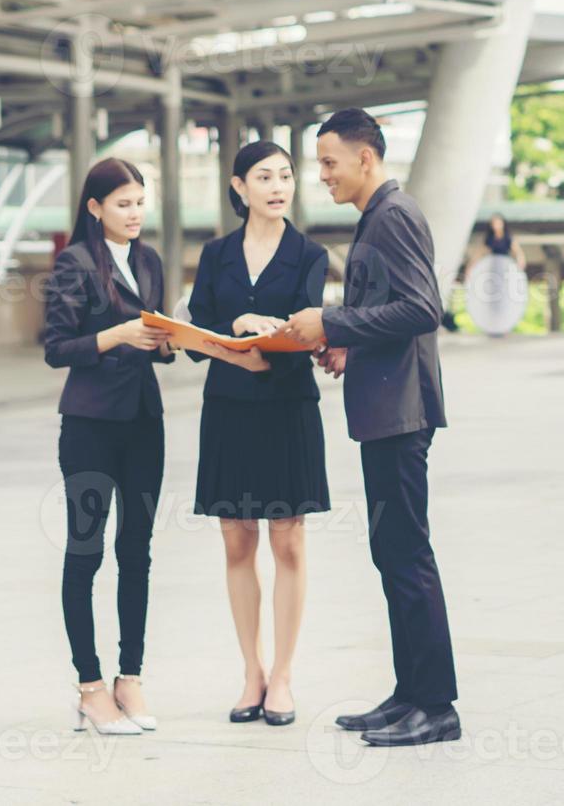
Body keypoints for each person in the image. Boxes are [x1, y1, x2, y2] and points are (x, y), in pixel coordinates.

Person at [279, 108, 458, 747]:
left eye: (329, 162)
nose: (321, 175)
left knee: (407, 554)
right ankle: (411, 693)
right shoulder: (378, 218)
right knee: (392, 554)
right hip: (386, 407)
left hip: (401, 413)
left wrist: (331, 322)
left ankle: (436, 705)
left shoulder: (394, 216)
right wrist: (349, 344)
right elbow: (393, 312)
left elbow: (421, 308)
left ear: (365, 159)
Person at [185, 140, 331, 727]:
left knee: (288, 542)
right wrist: (235, 327)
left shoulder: (309, 254)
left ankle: (285, 676)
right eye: (265, 177)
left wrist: (263, 333)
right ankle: (252, 672)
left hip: (286, 406)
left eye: (287, 176)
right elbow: (194, 331)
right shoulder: (216, 253)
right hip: (228, 408)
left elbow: (309, 331)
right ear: (239, 187)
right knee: (237, 544)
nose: (279, 186)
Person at [43, 157, 175, 736]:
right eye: (123, 204)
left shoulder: (149, 261)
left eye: (140, 202)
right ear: (95, 209)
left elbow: (157, 335)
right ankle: (90, 687)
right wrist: (119, 333)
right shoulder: (74, 264)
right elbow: (57, 347)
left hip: (144, 420)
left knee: (137, 552)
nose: (135, 213)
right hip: (91, 425)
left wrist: (169, 342)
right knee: (86, 553)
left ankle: (131, 678)